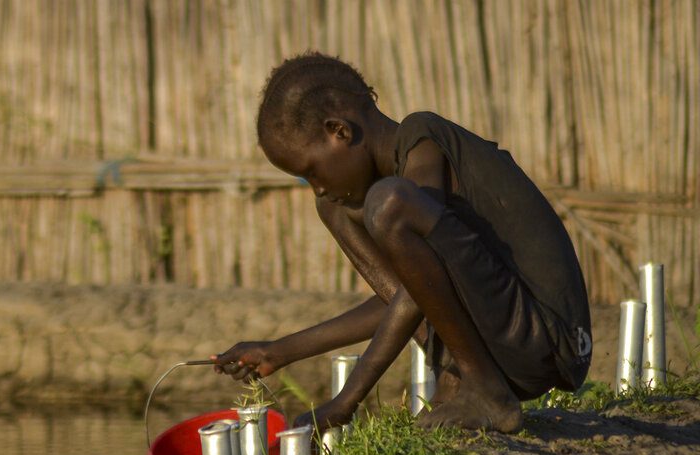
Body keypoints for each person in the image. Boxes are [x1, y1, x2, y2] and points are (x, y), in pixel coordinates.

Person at [211, 52, 592, 433]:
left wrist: (347, 400)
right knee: (337, 208)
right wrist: (278, 352)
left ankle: (485, 392)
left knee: (388, 203)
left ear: (339, 131)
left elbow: (415, 293)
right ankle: (460, 378)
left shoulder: (422, 139)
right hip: (509, 342)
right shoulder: (362, 202)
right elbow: (413, 294)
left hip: (551, 339)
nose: (319, 186)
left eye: (312, 171)